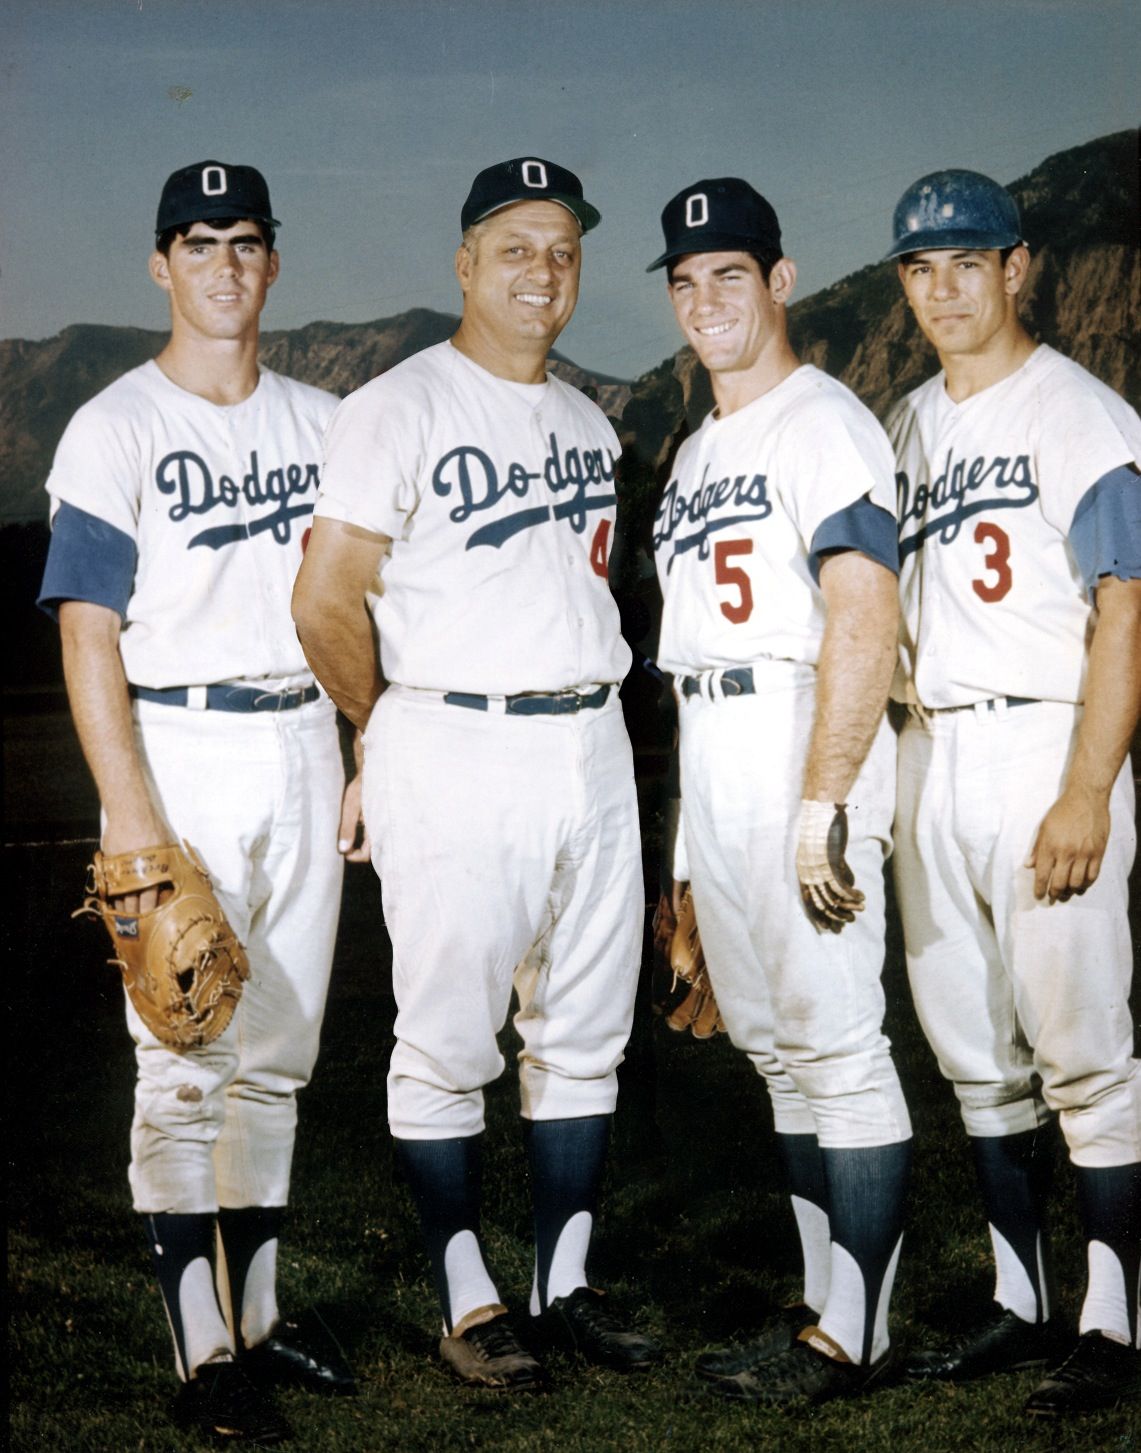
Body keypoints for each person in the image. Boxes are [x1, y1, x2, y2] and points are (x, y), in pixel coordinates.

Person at [291, 156, 661, 1391]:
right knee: (447, 1037)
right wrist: (380, 726)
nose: (542, 271)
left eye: (561, 249)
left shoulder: (588, 420)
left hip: (589, 738)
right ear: (464, 264)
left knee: (584, 1032)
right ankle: (468, 1295)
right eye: (515, 247)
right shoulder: (395, 405)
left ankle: (565, 1283)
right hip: (452, 737)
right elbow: (325, 598)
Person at [37, 160, 359, 1445]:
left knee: (275, 1054)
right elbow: (86, 632)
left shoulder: (329, 421)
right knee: (180, 1057)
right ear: (159, 266)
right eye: (197, 241)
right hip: (183, 748)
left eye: (245, 240)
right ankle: (199, 1341)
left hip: (304, 739)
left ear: (273, 264)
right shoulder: (112, 427)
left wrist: (369, 748)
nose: (223, 263)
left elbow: (361, 610)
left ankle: (264, 1317)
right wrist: (128, 811)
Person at [647, 177, 912, 1408]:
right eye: (687, 281)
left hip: (804, 735)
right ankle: (822, 1310)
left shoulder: (825, 421)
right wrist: (690, 851)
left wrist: (825, 800)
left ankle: (856, 1334)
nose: (707, 301)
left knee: (840, 1047)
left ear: (781, 280)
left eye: (730, 276)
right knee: (779, 1055)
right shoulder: (696, 448)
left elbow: (861, 612)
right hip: (716, 752)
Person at [884, 168, 1141, 1416]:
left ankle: (1112, 1320)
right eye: (922, 268)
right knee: (974, 1054)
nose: (945, 289)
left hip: (1044, 743)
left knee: (1082, 1050)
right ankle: (1017, 1300)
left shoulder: (1082, 414)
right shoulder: (904, 426)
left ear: (1018, 266)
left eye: (967, 262)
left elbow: (1125, 611)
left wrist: (1087, 788)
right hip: (931, 752)